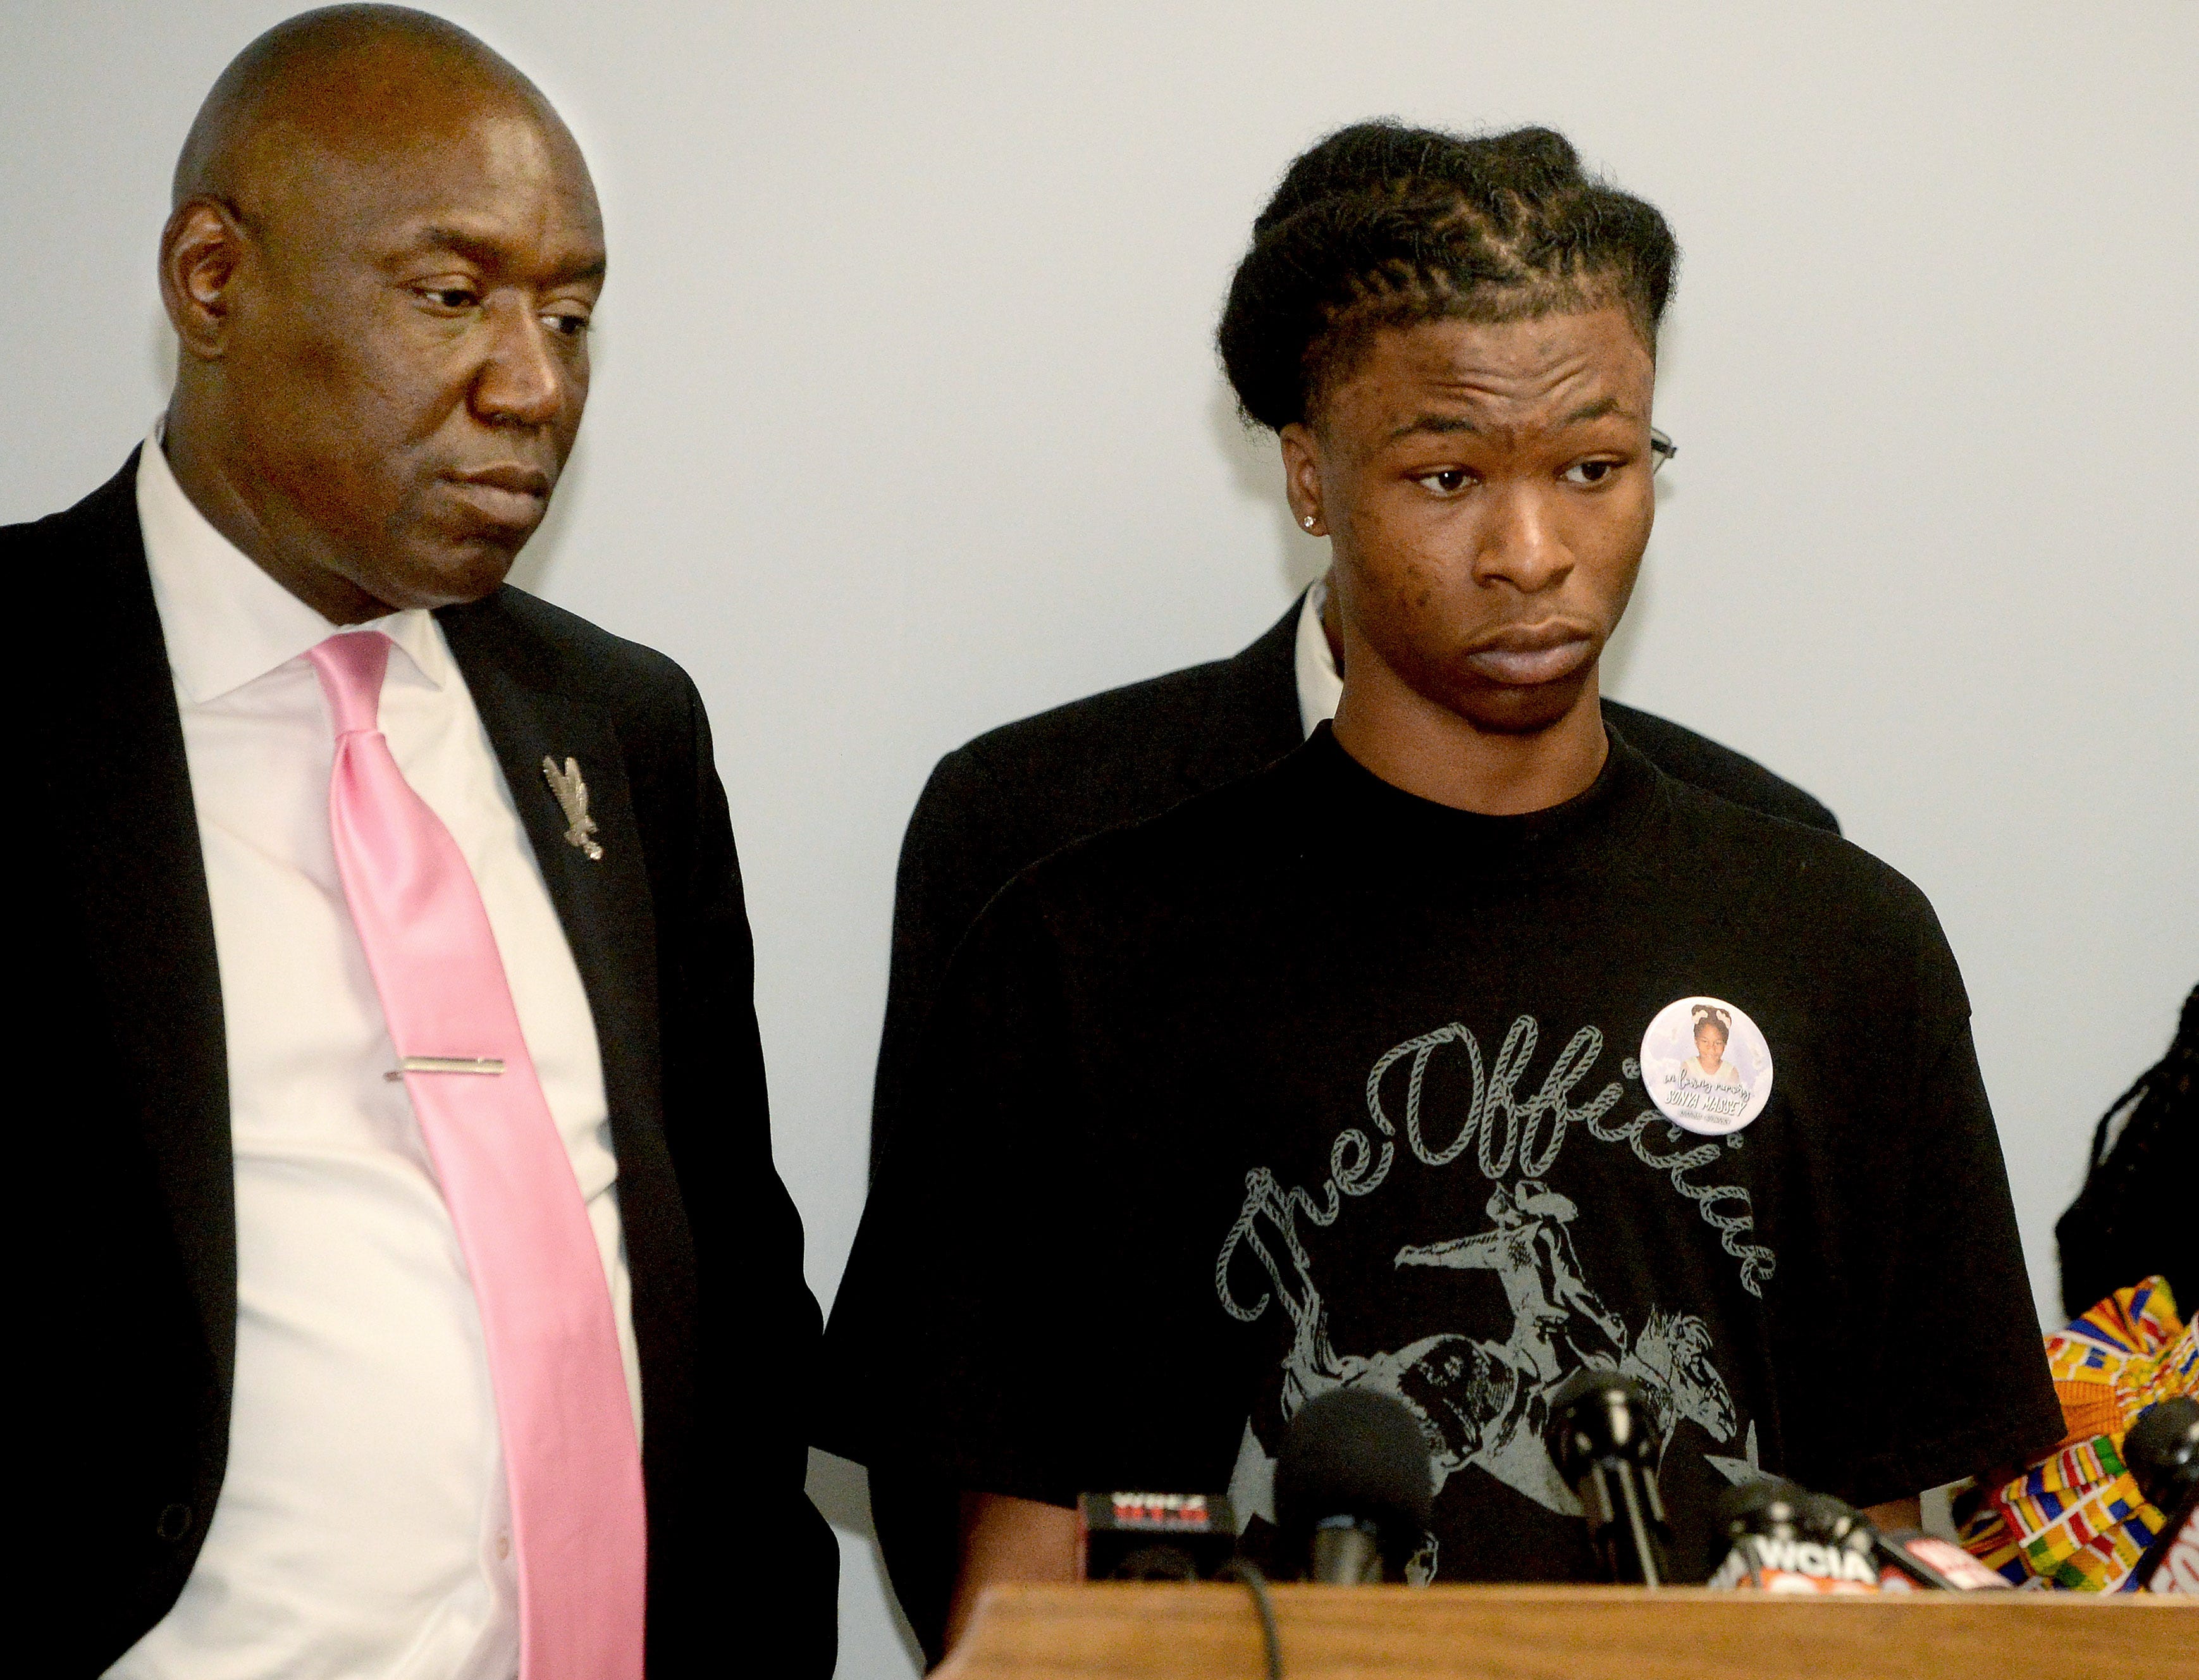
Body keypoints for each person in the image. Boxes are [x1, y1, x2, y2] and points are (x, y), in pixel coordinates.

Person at [825, 120, 2059, 1652]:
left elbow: (1882, 1551)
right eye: (1447, 473)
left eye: (1595, 467)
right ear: (1309, 477)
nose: (1532, 548)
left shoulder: (1840, 939)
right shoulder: (1087, 949)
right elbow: (1020, 1582)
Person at [18, 8, 834, 1676]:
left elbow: (732, 1302)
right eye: (451, 297)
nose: (534, 383)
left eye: (571, 312)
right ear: (211, 279)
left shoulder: (623, 728)